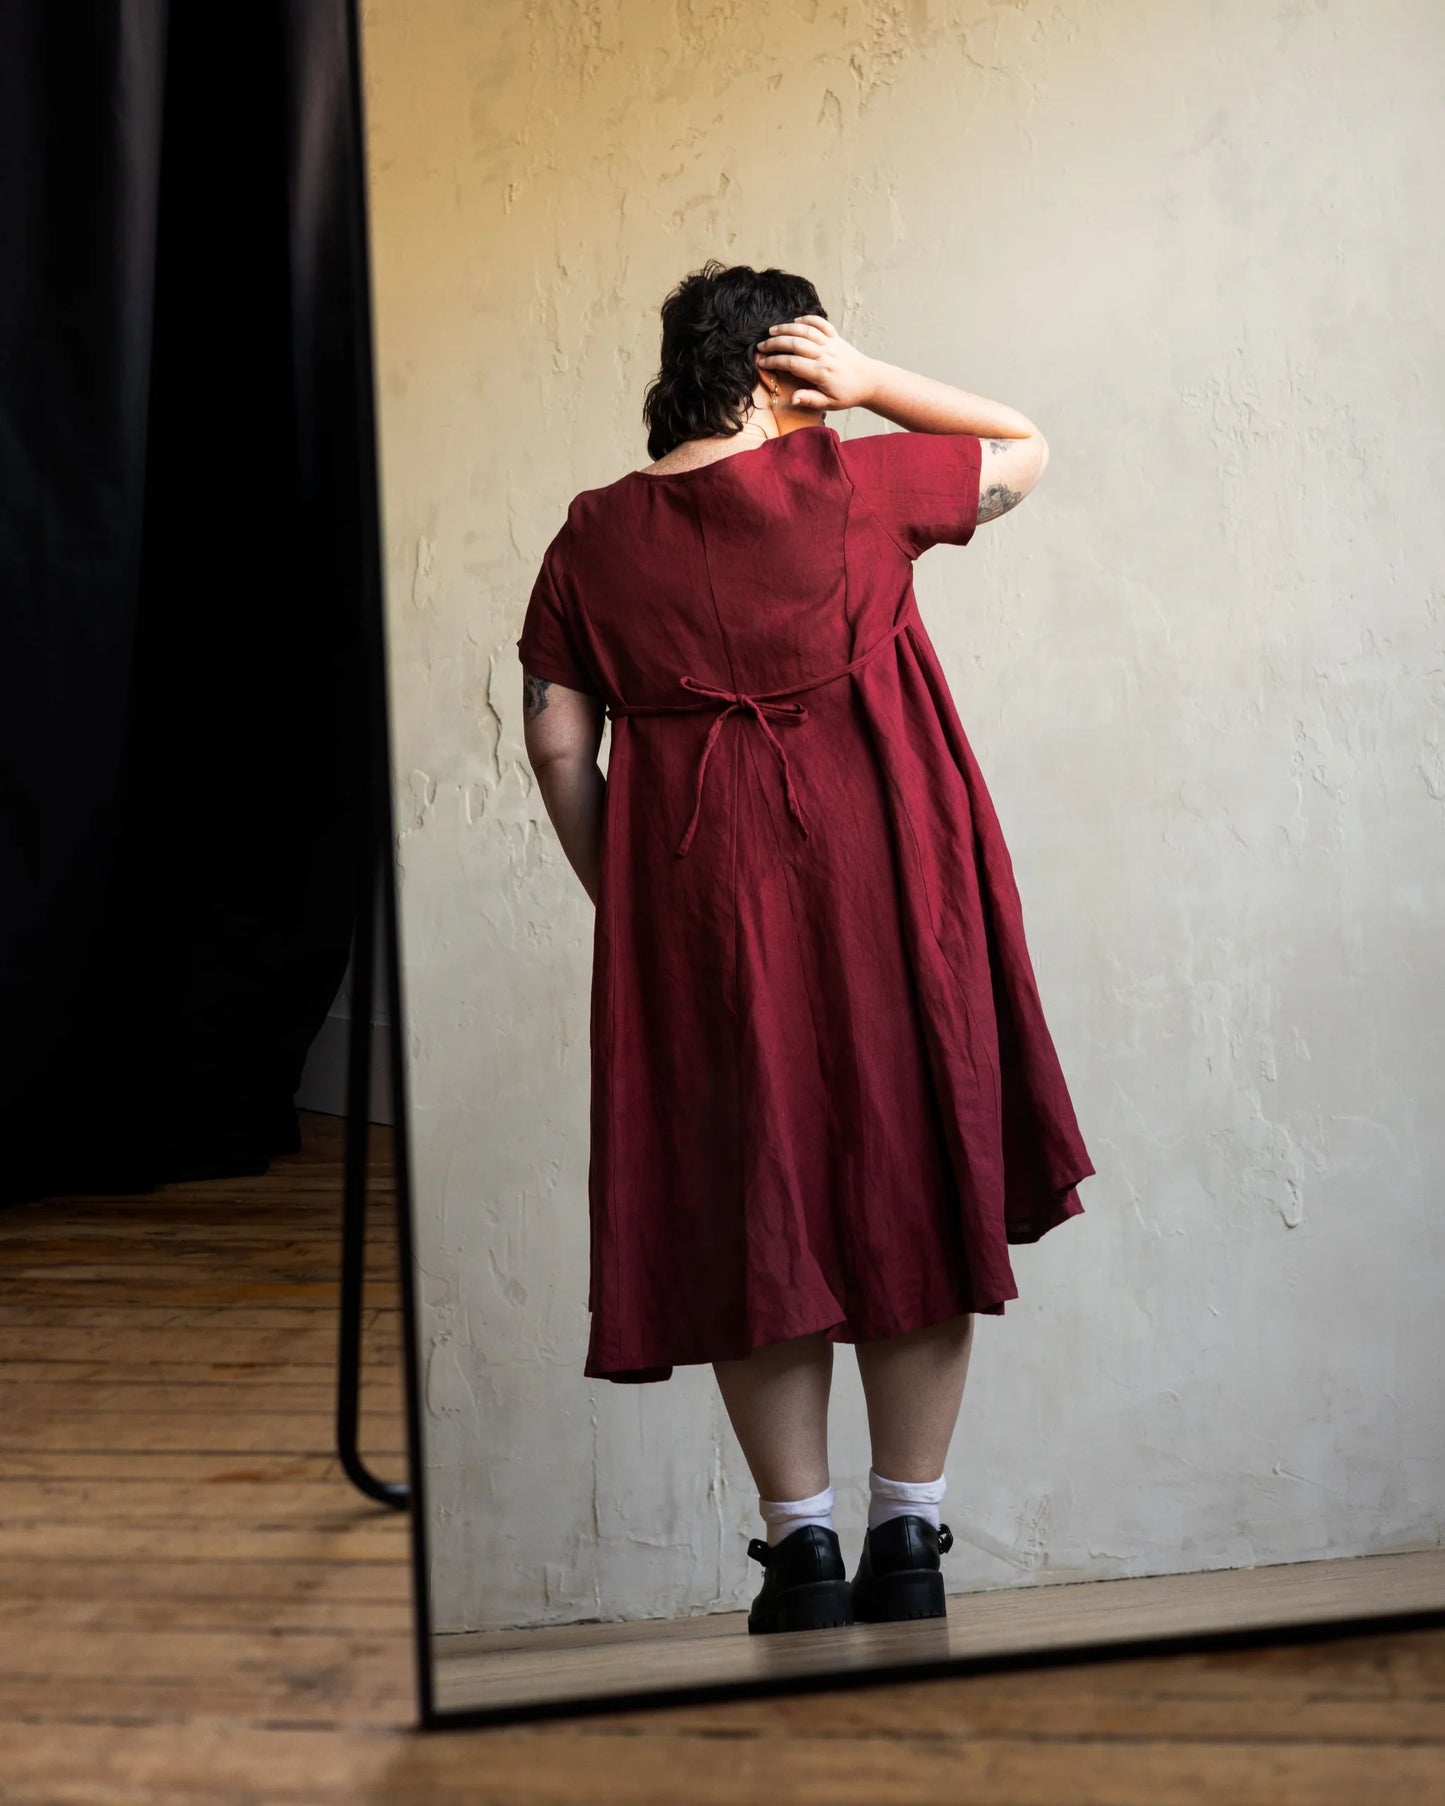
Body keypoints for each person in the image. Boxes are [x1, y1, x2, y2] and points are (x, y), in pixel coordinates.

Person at [516, 260, 1095, 1634]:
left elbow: (553, 740)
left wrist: (638, 902)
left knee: (747, 1199)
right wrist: (877, 379)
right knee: (904, 1179)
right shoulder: (856, 479)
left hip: (701, 916)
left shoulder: (592, 536)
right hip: (894, 891)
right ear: (790, 368)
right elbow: (1025, 445)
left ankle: (801, 1553)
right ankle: (910, 1533)